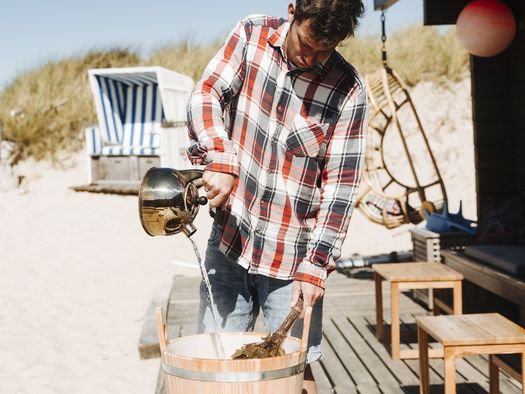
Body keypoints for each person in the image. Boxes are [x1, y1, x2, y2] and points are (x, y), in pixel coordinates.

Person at [187, 0, 367, 390]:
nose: (312, 57)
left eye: (326, 49)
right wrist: (220, 155)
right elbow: (206, 94)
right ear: (292, 11)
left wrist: (317, 266)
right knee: (216, 363)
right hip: (231, 239)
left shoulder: (349, 88)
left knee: (297, 369)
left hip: (294, 260)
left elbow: (340, 188)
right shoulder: (250, 35)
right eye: (306, 43)